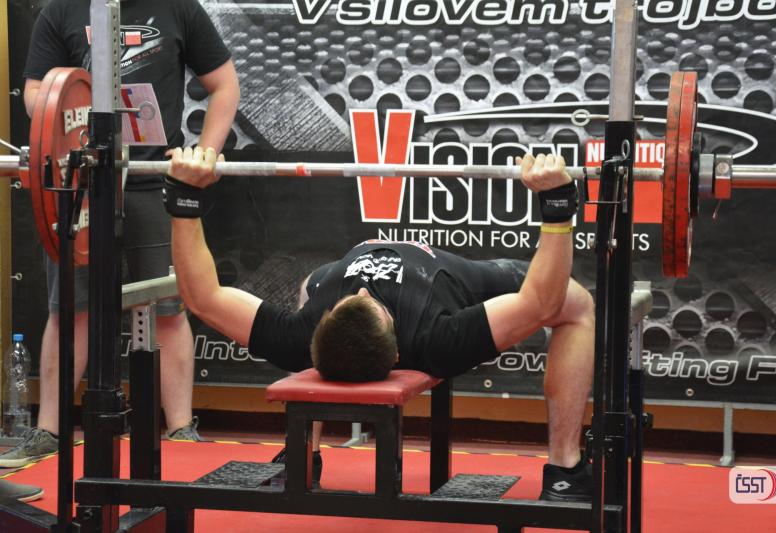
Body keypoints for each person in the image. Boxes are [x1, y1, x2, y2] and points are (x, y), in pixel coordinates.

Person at [163, 147, 595, 501]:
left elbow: (204, 297)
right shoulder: (437, 340)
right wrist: (557, 206)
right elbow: (541, 302)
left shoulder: (299, 335)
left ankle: (302, 455)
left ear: (322, 325)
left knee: (308, 287)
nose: (364, 289)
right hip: (459, 275)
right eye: (369, 303)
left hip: (329, 291)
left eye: (349, 300)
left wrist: (184, 198)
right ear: (398, 346)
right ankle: (565, 471)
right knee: (576, 305)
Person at [0, 0, 240, 467]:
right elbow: (35, 92)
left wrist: (204, 156)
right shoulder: (62, 10)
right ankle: (49, 430)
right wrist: (71, 106)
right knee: (71, 309)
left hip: (153, 178)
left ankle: (181, 429)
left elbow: (224, 83)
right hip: (84, 181)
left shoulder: (177, 7)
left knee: (168, 307)